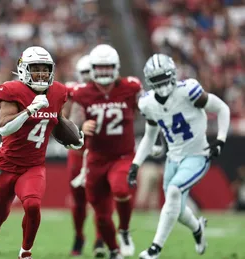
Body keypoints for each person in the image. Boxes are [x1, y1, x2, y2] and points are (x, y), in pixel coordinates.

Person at [0, 46, 84, 259]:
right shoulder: (11, 90)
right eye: (36, 68)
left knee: (33, 204)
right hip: (6, 164)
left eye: (45, 69)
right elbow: (3, 128)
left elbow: (57, 120)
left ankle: (25, 252)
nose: (42, 73)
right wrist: (30, 110)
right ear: (24, 69)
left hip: (33, 165)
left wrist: (72, 137)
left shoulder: (57, 92)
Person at [127, 53, 230, 259]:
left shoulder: (188, 91)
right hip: (172, 159)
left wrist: (220, 139)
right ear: (150, 82)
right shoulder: (148, 104)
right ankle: (198, 229)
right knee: (178, 209)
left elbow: (221, 108)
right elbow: (149, 136)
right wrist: (136, 164)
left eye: (164, 77)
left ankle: (155, 249)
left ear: (173, 75)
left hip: (197, 156)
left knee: (173, 192)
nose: (162, 84)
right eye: (157, 80)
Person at [70, 44, 142, 259]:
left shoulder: (130, 87)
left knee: (120, 190)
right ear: (93, 68)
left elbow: (148, 111)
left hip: (122, 155)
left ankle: (125, 230)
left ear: (116, 67)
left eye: (107, 67)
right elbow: (73, 122)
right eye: (99, 68)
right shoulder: (82, 92)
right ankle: (113, 250)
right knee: (101, 214)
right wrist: (81, 128)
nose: (103, 72)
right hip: (95, 158)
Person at [65, 54, 105, 257]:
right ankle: (79, 235)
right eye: (85, 74)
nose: (89, 78)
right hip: (78, 151)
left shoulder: (109, 93)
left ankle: (100, 238)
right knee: (78, 199)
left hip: (100, 152)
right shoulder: (72, 91)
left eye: (92, 73)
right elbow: (64, 120)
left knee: (99, 198)